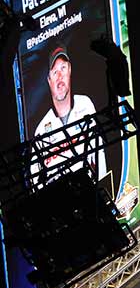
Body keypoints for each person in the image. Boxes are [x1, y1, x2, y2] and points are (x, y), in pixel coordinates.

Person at [31, 46, 107, 185]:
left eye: (63, 68)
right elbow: (35, 179)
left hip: (89, 189)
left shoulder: (85, 105)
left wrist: (102, 189)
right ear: (49, 80)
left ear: (70, 70)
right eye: (55, 72)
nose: (59, 76)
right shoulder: (41, 130)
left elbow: (99, 153)